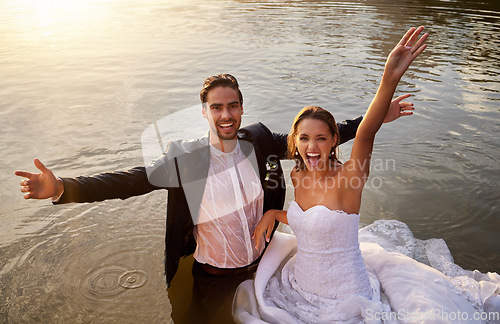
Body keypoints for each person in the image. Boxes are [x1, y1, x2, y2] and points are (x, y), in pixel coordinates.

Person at [15, 71, 413, 322]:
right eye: (217, 107)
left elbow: (315, 139)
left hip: (264, 268)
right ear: (204, 112)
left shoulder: (259, 141)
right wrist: (62, 187)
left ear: (241, 108)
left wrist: (375, 119)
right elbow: (127, 182)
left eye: (233, 106)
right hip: (214, 277)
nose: (226, 115)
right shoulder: (185, 161)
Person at [233, 26, 499, 323]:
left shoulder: (350, 178)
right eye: (304, 138)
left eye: (321, 138)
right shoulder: (297, 175)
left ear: (334, 140)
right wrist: (273, 213)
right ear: (295, 140)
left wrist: (390, 78)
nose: (312, 146)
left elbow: (365, 133)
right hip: (298, 285)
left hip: (346, 298)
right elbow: (307, 220)